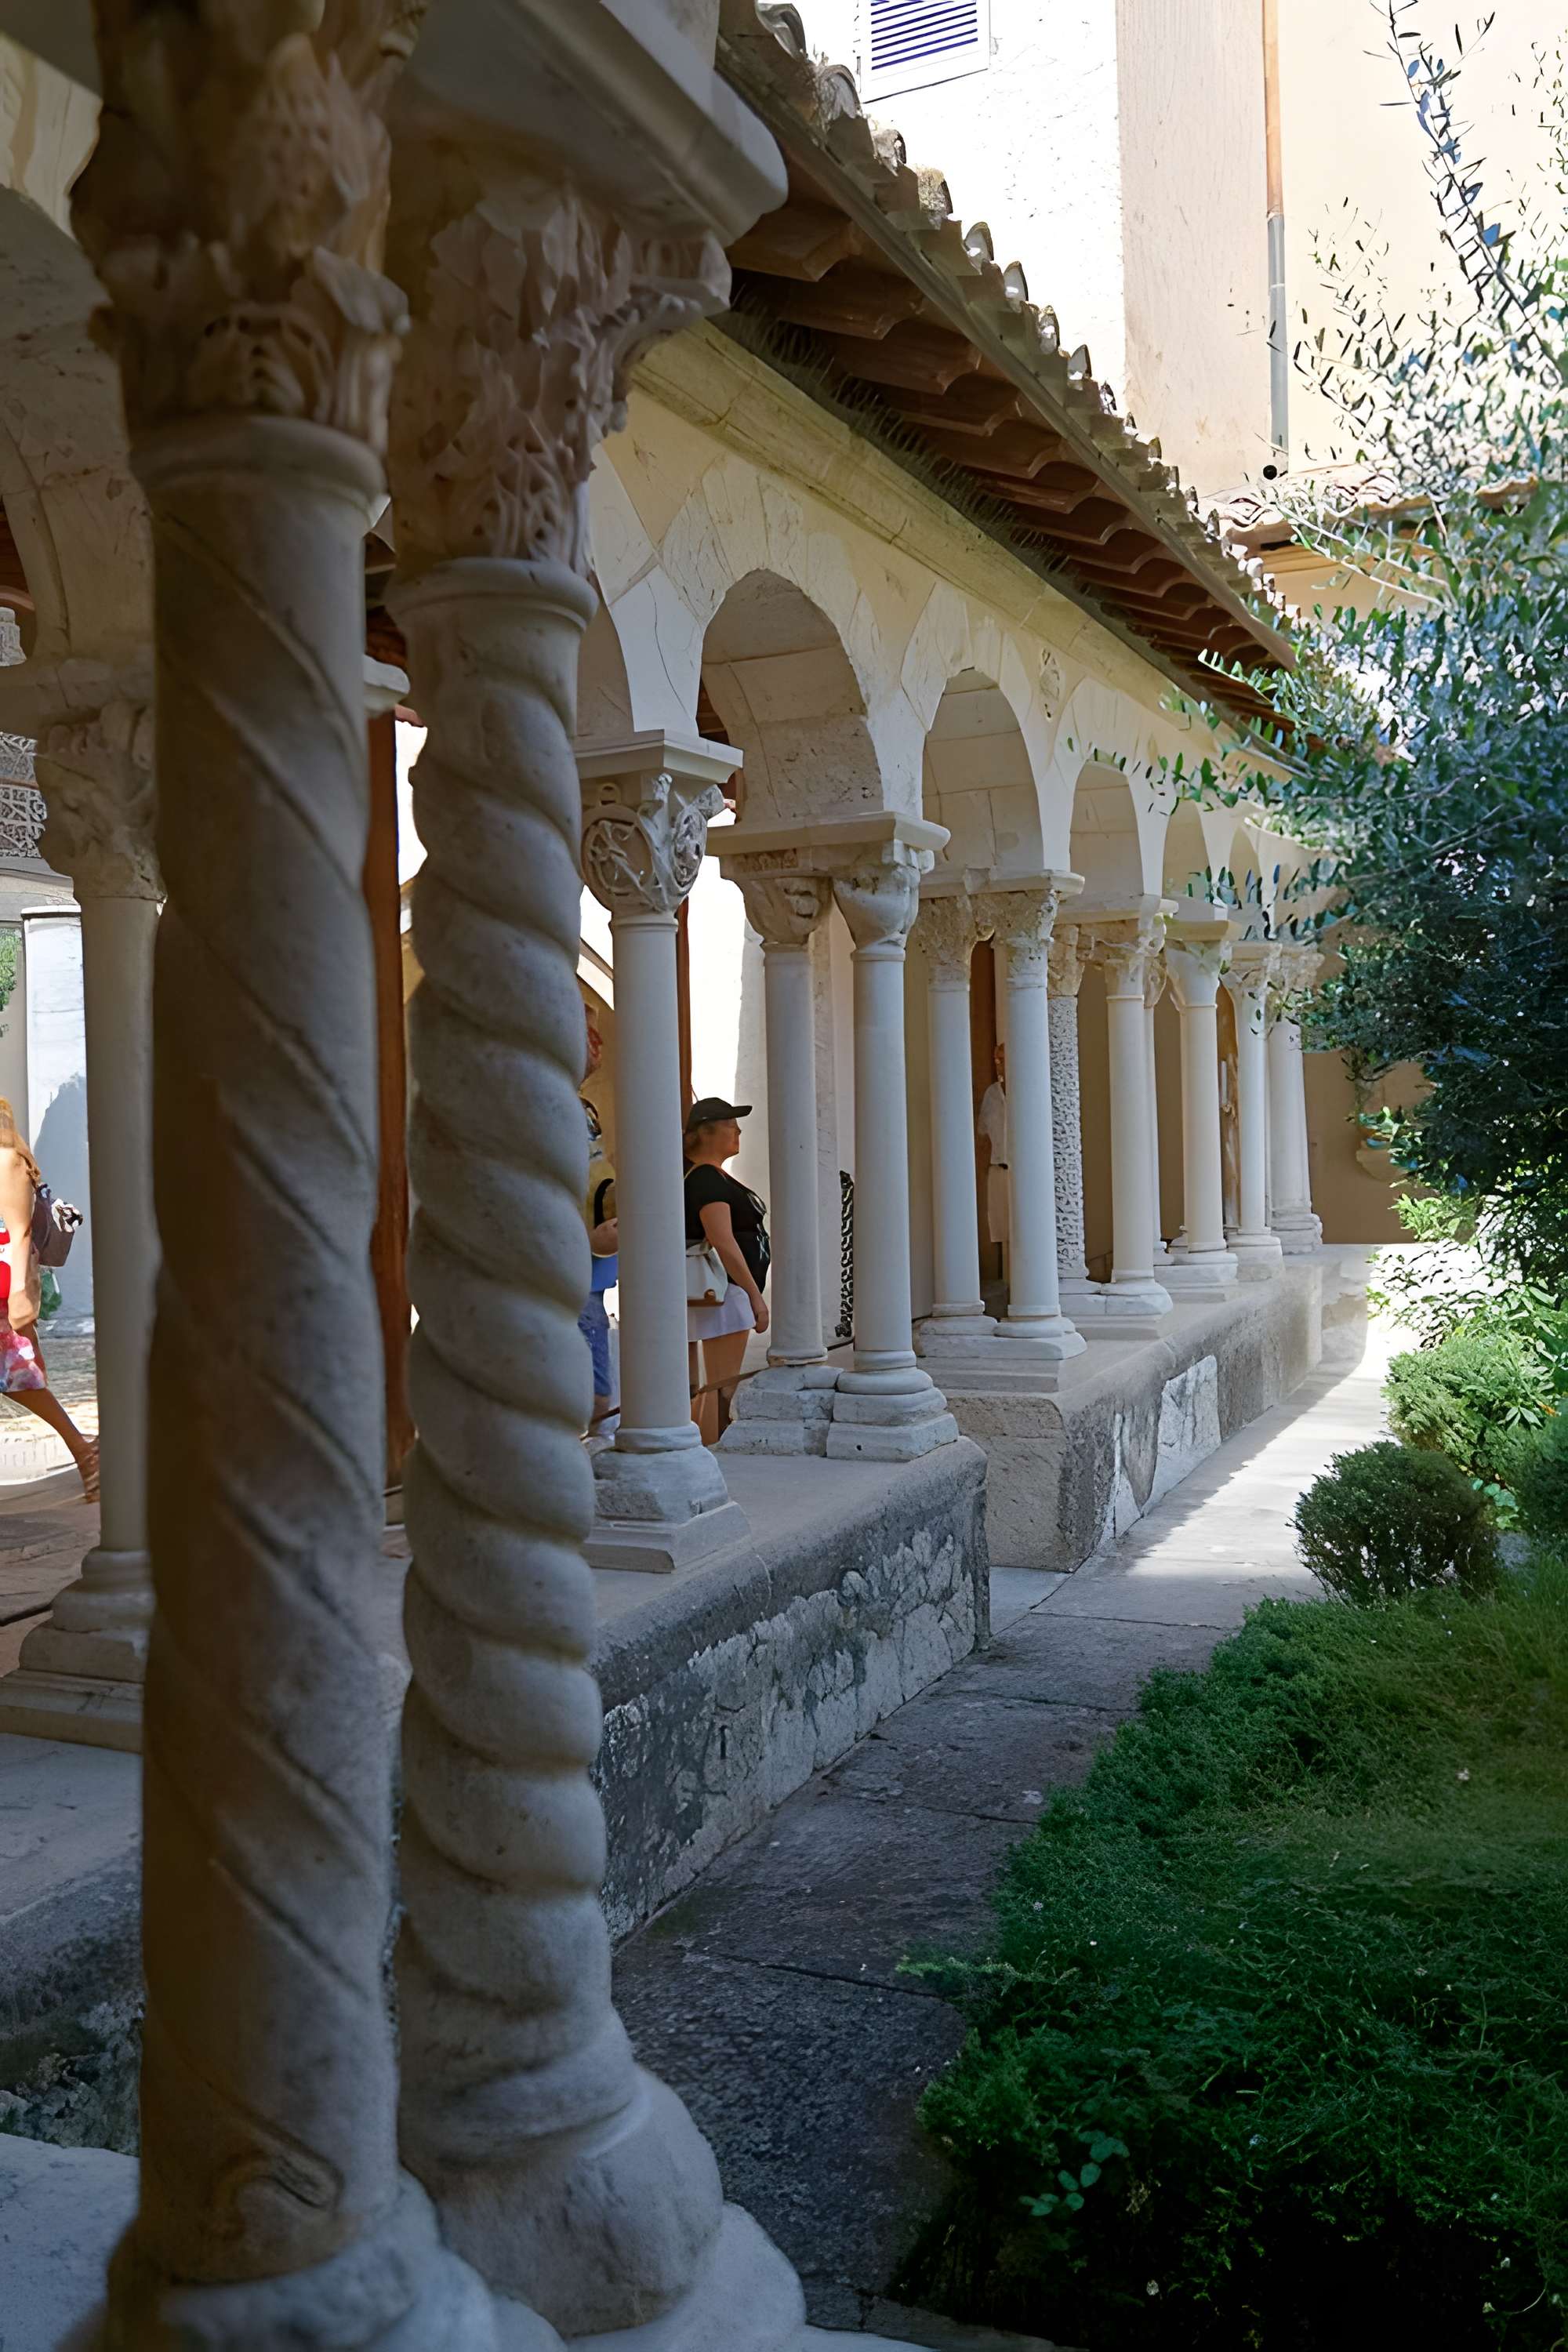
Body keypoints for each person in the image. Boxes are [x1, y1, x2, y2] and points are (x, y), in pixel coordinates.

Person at [0, 1098, 97, 1498]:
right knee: (19, 1378)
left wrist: (22, 1297)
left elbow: (20, 1233)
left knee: (21, 1379)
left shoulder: (7, 1160)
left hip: (4, 1288)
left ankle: (88, 1455)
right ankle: (87, 1455)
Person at [684, 1095, 768, 1445]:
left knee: (715, 1386)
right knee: (719, 1386)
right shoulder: (705, 1177)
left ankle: (708, 1453)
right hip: (725, 1292)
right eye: (730, 1124)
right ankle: (712, 1454)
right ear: (706, 1132)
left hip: (727, 1292)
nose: (738, 1130)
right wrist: (754, 1296)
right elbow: (722, 1240)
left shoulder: (716, 1176)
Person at [579, 1013, 619, 1439]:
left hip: (591, 1267)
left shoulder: (582, 1108)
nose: (596, 1041)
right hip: (566, 1268)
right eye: (582, 1024)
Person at [977, 1042, 1009, 1276]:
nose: (999, 1065)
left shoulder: (1032, 1089)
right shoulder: (992, 1093)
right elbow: (983, 1133)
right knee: (1002, 1230)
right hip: (999, 1167)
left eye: (1003, 1059)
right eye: (996, 1060)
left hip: (1025, 1173)